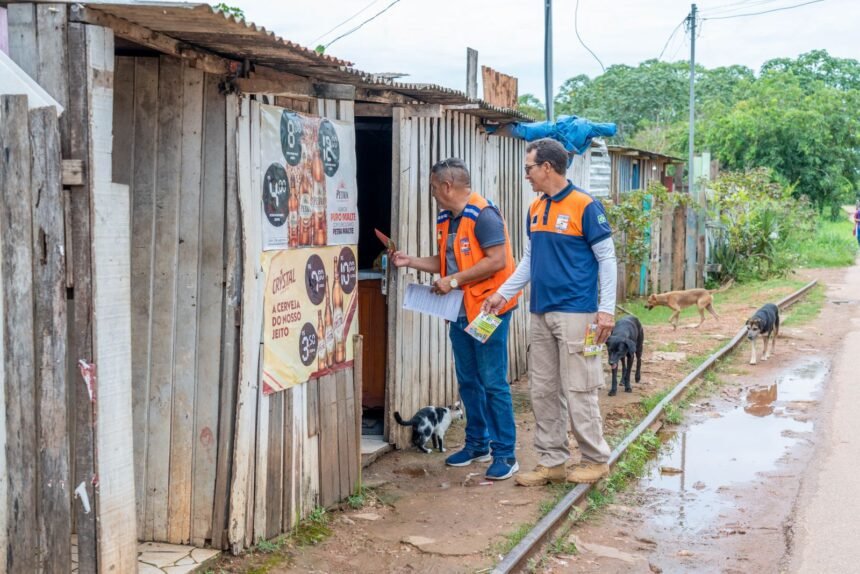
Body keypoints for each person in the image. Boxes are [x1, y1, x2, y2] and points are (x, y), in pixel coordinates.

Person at [483, 137, 617, 486]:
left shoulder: (585, 205)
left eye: (529, 168)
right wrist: (502, 294)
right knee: (542, 389)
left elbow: (607, 258)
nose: (526, 174)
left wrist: (606, 310)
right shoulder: (535, 208)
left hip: (577, 312)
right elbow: (529, 260)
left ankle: (595, 459)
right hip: (540, 310)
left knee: (580, 387)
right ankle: (552, 461)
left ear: (547, 167)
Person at [390, 158, 522, 480]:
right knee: (468, 381)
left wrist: (453, 281)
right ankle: (477, 444)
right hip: (460, 312)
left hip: (489, 311)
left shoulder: (484, 215)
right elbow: (448, 262)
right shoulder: (447, 218)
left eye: (434, 187)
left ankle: (505, 453)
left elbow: (497, 260)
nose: (433, 193)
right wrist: (411, 261)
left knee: (493, 382)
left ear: (447, 186)